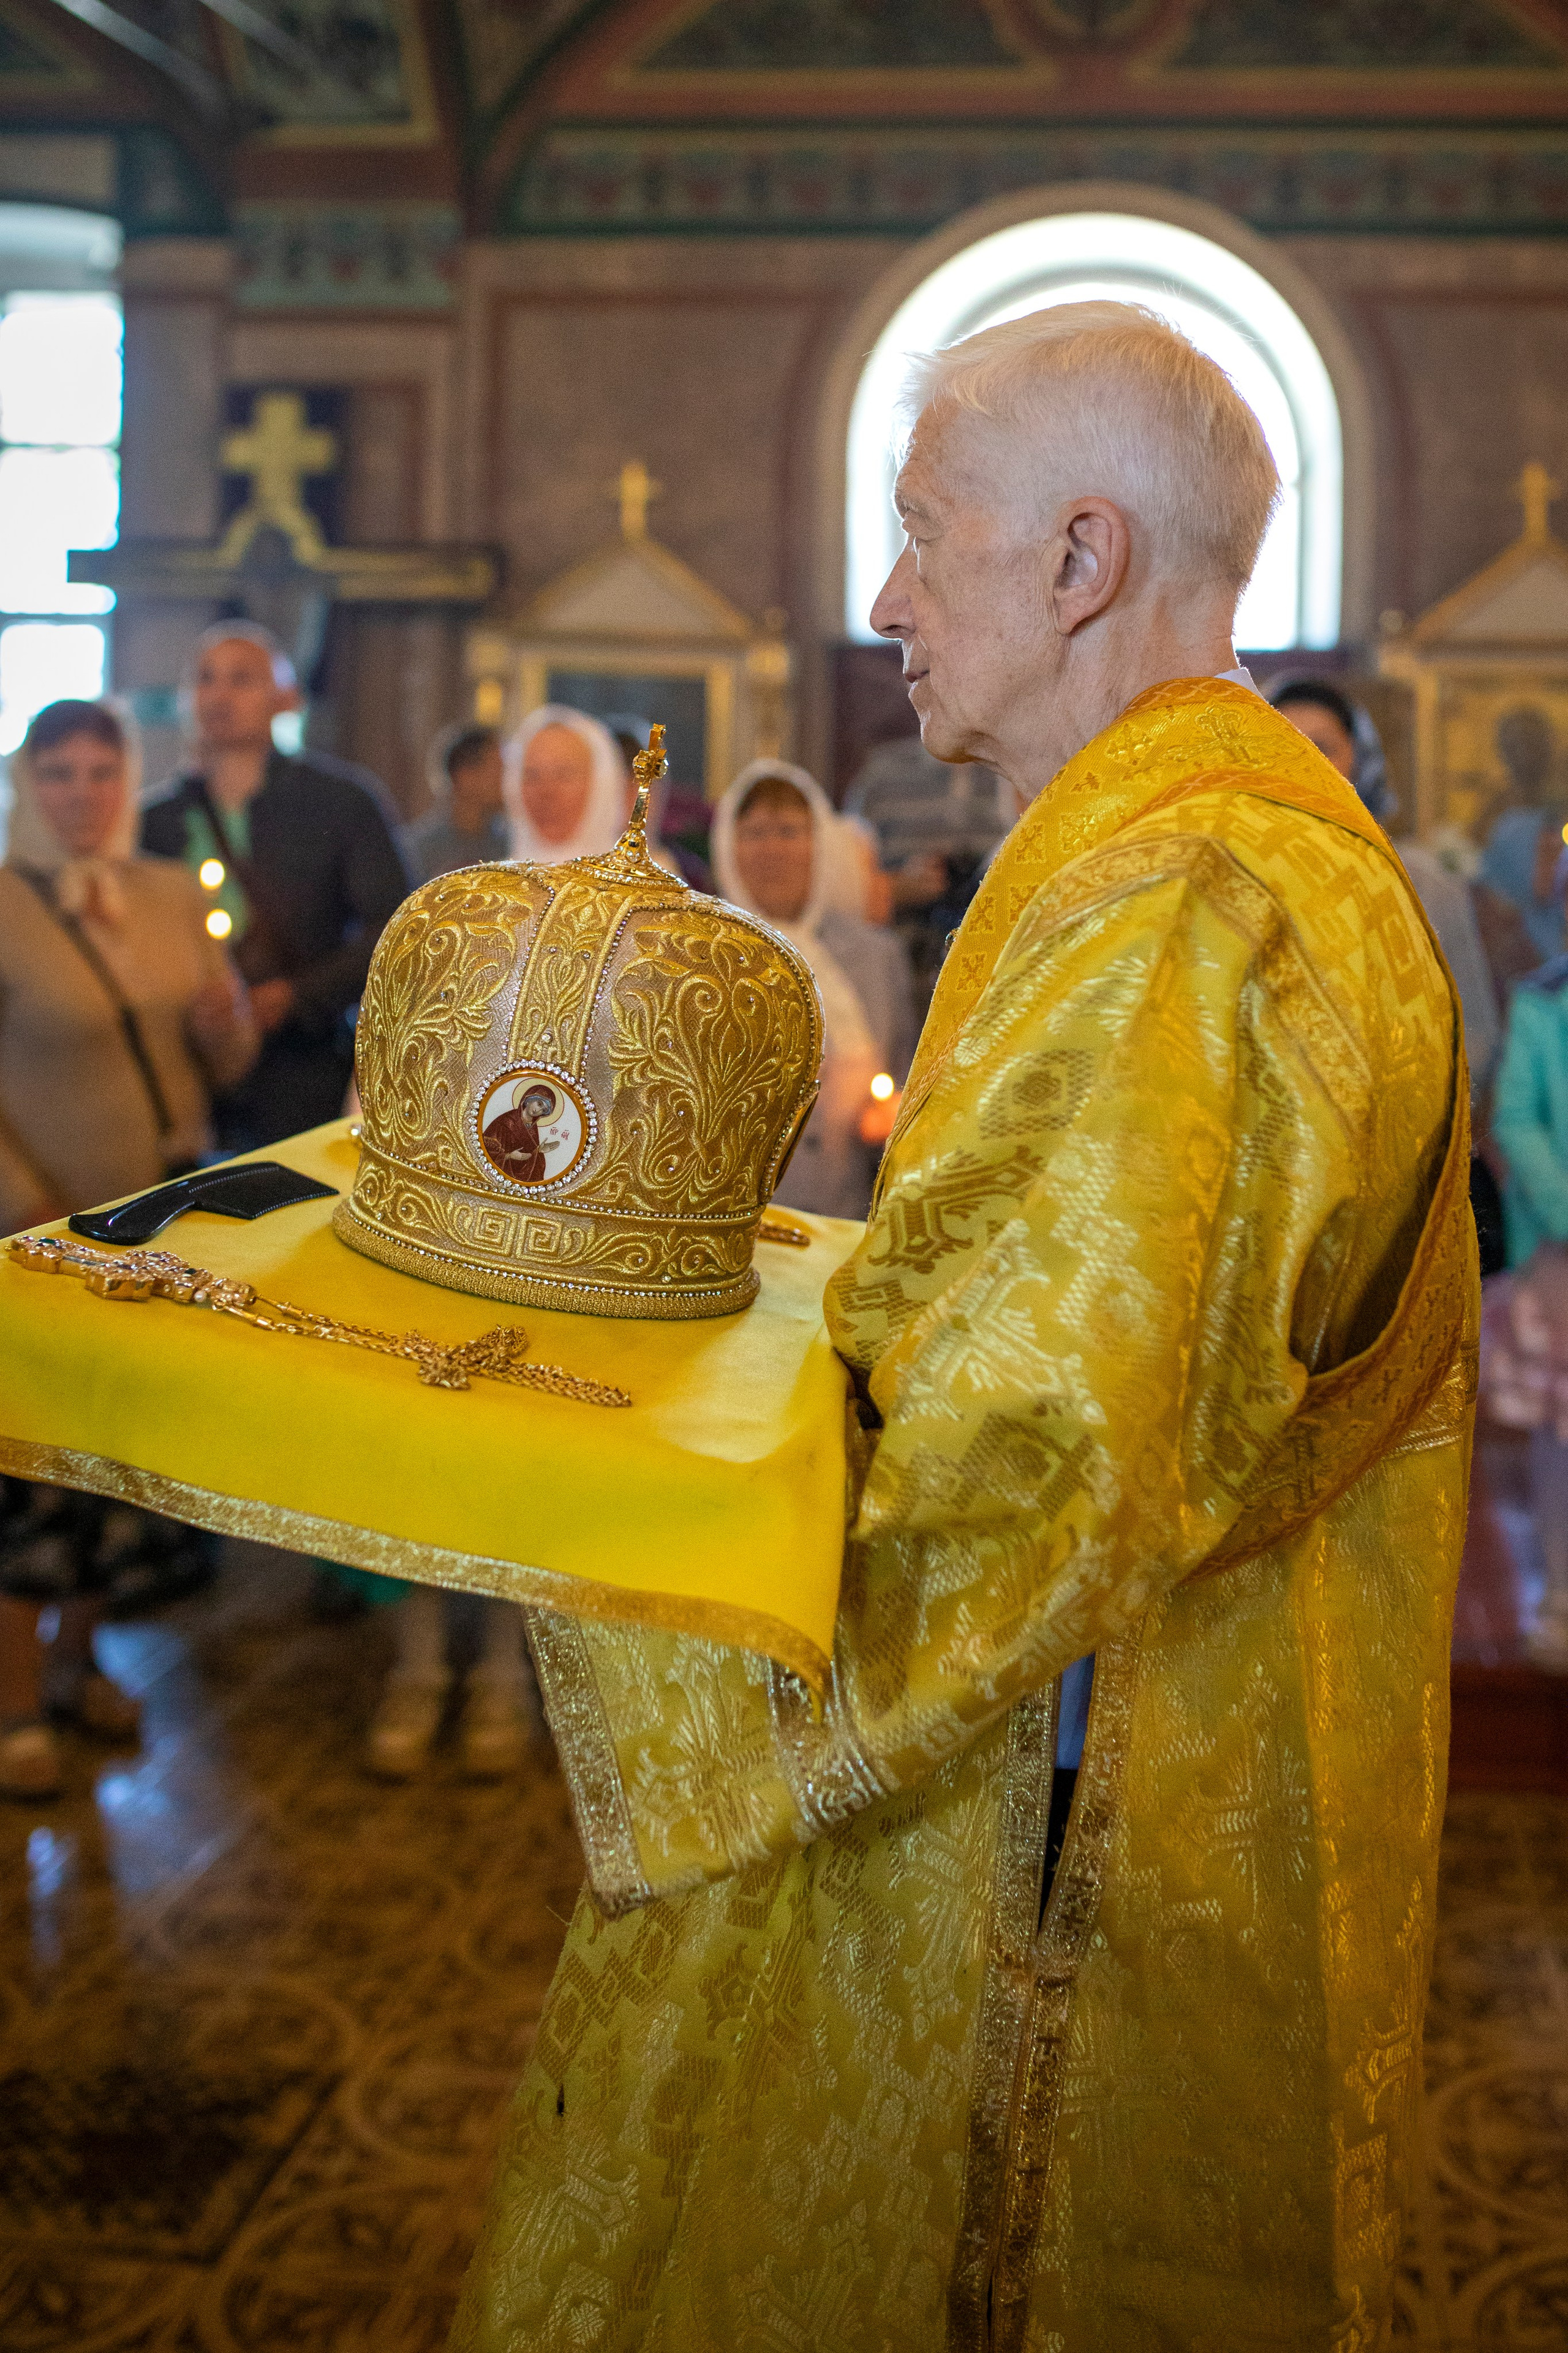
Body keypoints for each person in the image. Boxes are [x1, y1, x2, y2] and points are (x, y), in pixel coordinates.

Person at [454, 306, 1475, 2347]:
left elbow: (1030, 1464)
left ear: (1080, 563)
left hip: (1095, 1801)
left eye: (925, 532)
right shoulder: (1185, 846)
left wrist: (581, 1441)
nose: (885, 598)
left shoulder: (1188, 900)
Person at [0, 696, 256, 1798]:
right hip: (40, 1240)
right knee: (28, 1482)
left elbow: (229, 1061)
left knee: (110, 1470)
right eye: (57, 775)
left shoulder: (163, 891)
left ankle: (76, 1662)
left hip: (159, 1233)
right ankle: (13, 1707)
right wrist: (29, 1206)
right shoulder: (3, 904)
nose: (81, 795)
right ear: (27, 785)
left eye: (100, 773)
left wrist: (224, 1025)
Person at [141, 623, 410, 1150]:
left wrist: (293, 996)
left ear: (285, 698)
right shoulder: (156, 819)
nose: (219, 695)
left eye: (241, 679)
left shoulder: (344, 803)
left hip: (304, 1065)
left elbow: (398, 927)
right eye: (205, 679)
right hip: (188, 1065)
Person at [710, 759, 918, 1219]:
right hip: (738, 1220)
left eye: (789, 831)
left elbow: (907, 1075)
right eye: (755, 832)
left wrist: (890, 1119)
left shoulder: (877, 956)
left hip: (850, 1217)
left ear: (821, 842)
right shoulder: (704, 955)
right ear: (728, 844)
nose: (772, 850)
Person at [503, 705, 629, 864]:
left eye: (564, 775)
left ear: (601, 787)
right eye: (533, 776)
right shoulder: (483, 885)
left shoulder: (643, 887)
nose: (547, 792)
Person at [404, 722, 507, 885]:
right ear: (466, 777)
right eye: (498, 770)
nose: (507, 782)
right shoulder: (416, 850)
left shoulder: (509, 843)